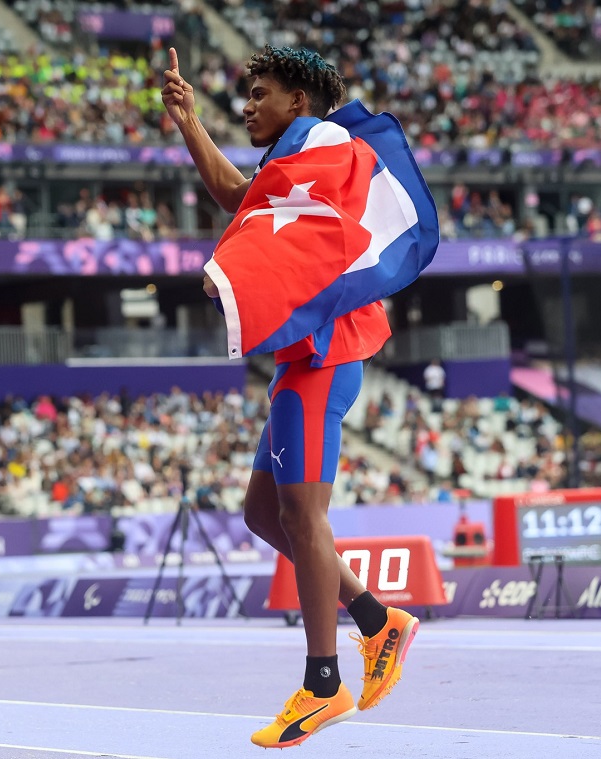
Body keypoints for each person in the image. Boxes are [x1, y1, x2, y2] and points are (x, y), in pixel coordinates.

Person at [162, 45, 425, 748]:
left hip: (324, 356)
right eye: (246, 93)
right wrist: (189, 122)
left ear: (298, 101)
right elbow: (239, 200)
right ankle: (378, 620)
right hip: (305, 359)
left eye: (260, 92)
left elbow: (280, 232)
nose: (248, 103)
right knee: (263, 511)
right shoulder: (293, 158)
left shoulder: (325, 142)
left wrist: (231, 270)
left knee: (303, 515)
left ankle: (322, 682)